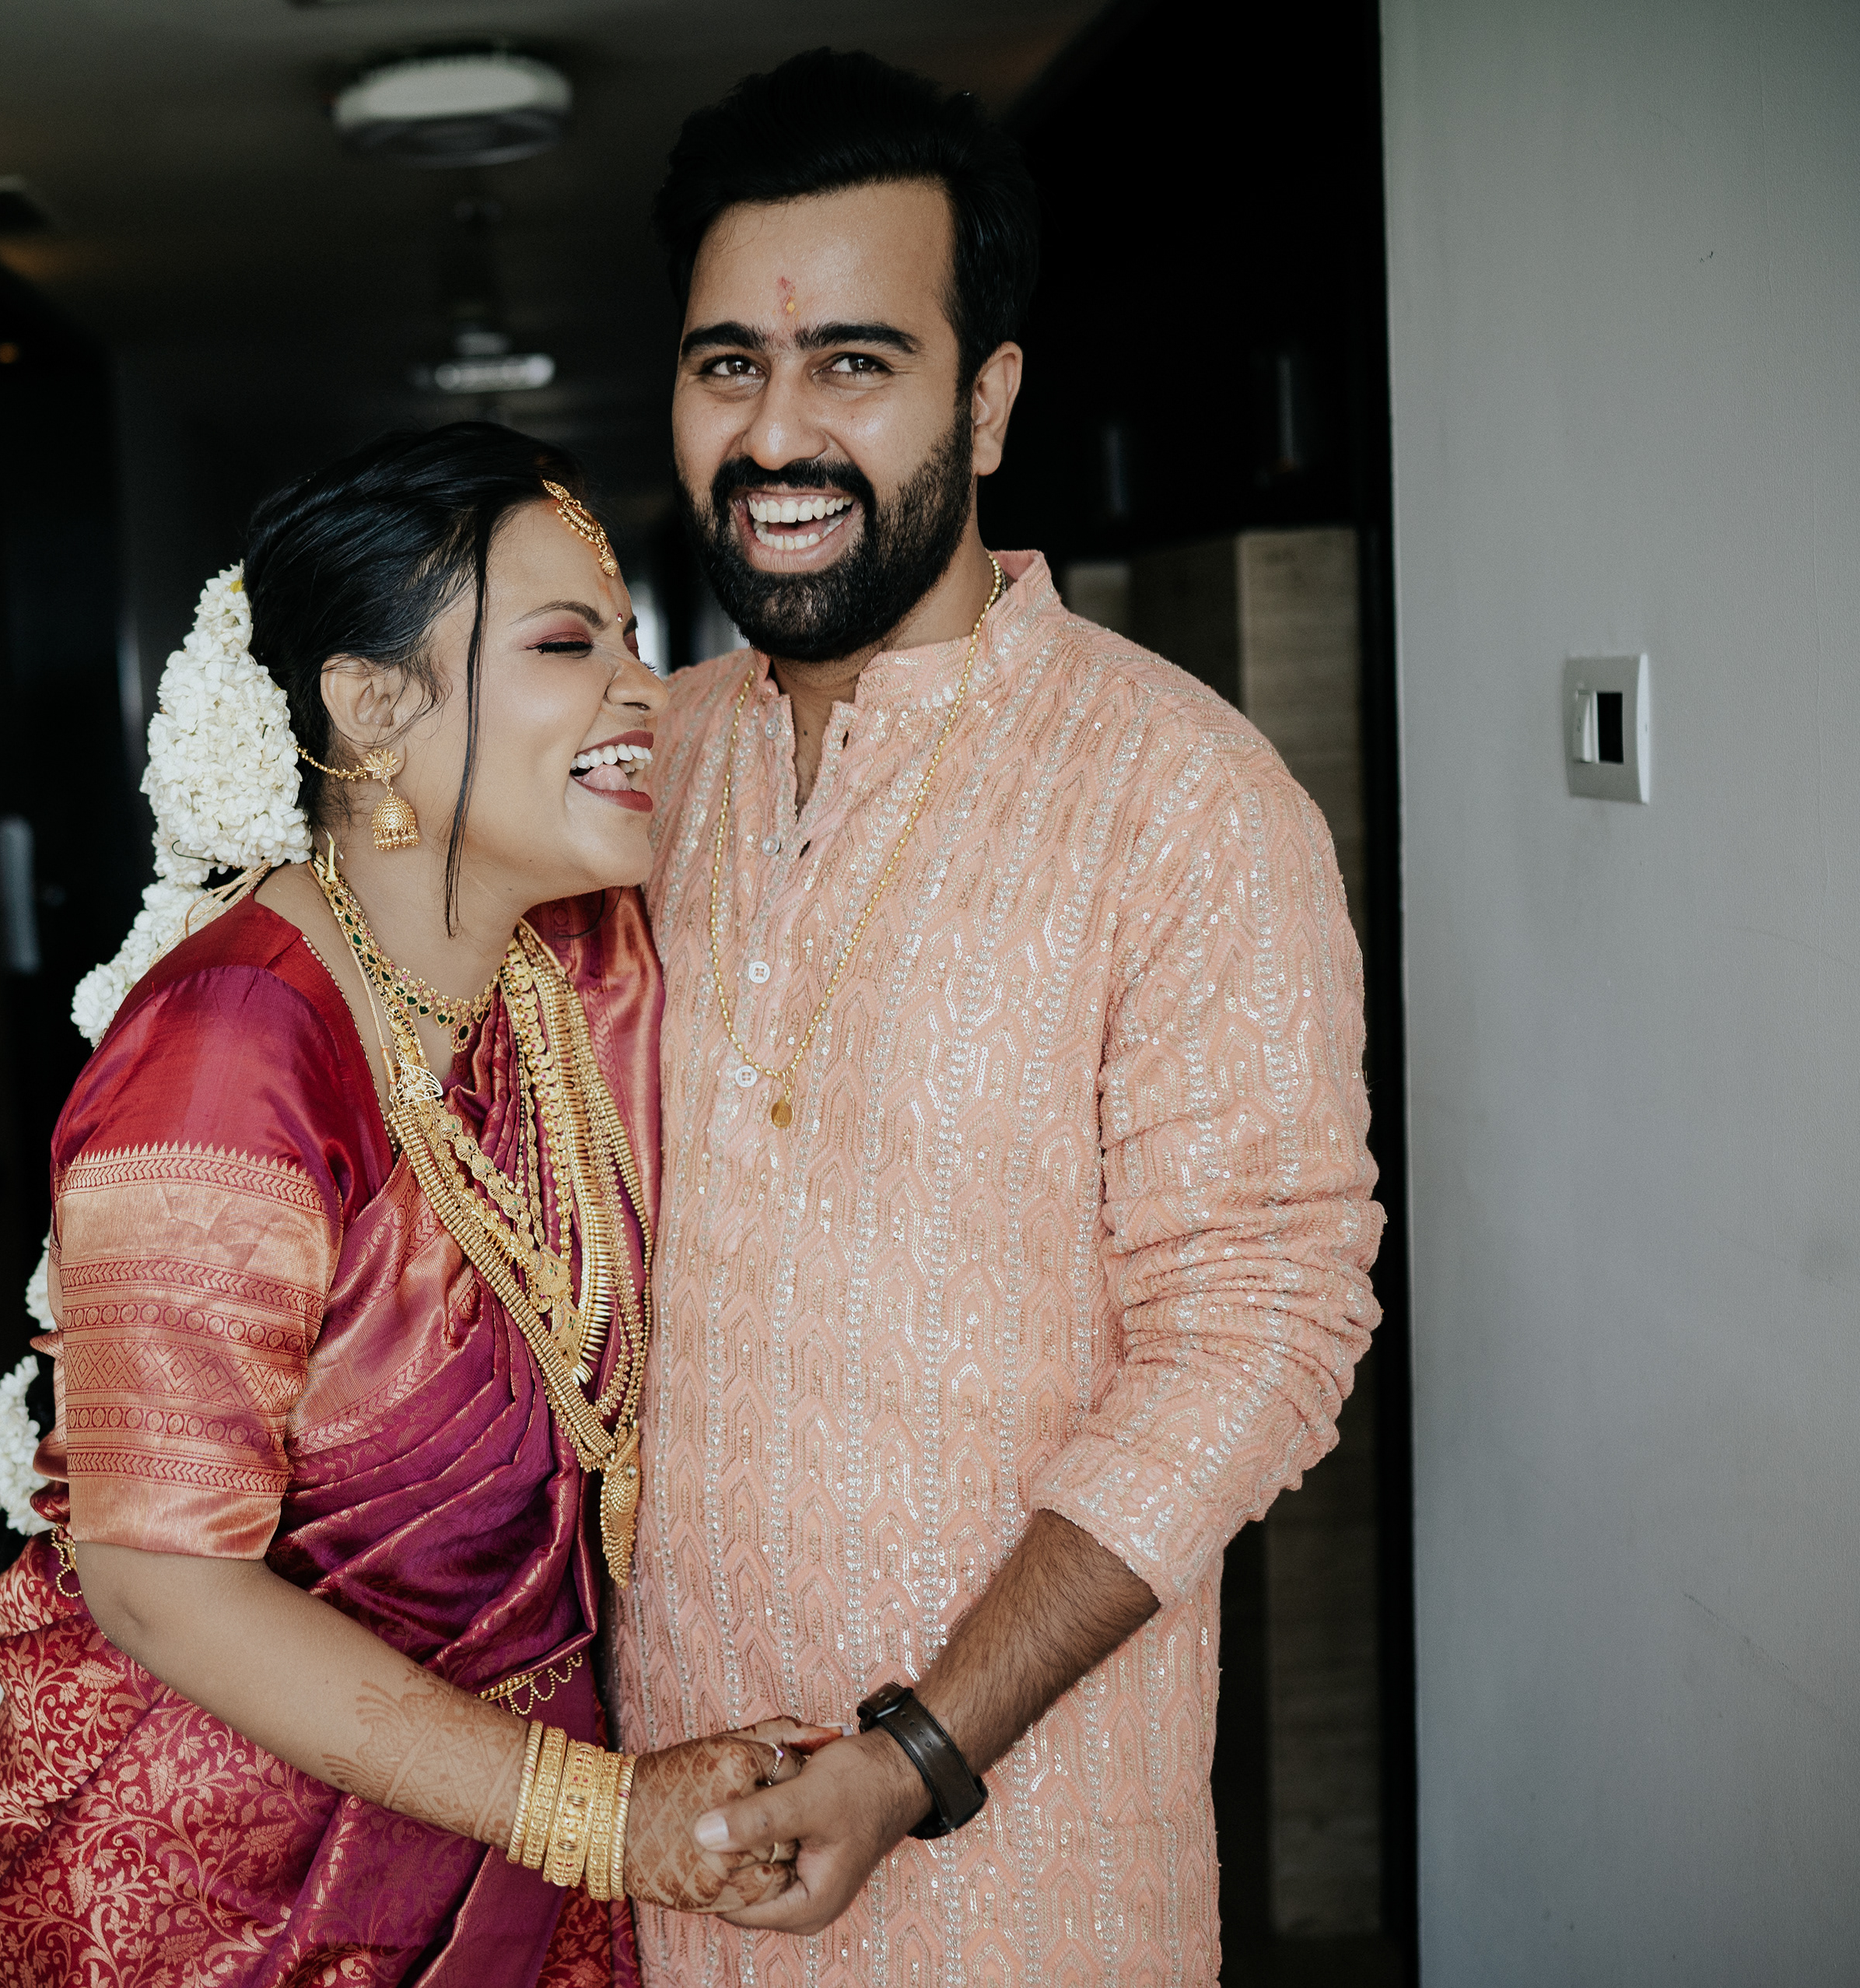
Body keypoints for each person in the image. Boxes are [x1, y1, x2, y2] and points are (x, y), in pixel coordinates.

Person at [610, 51, 1385, 1986]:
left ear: (993, 399)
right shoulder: (628, 777)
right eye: (729, 365)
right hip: (650, 1854)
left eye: (855, 364)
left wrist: (917, 1755)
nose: (778, 434)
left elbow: (1266, 1327)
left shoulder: (1182, 798)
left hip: (1030, 1879)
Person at [0, 423, 830, 1988]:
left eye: (630, 639)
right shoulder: (231, 1051)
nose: (642, 690)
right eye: (566, 645)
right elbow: (160, 1585)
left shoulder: (563, 978)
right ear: (367, 705)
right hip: (246, 1897)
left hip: (517, 1847)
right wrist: (604, 1819)